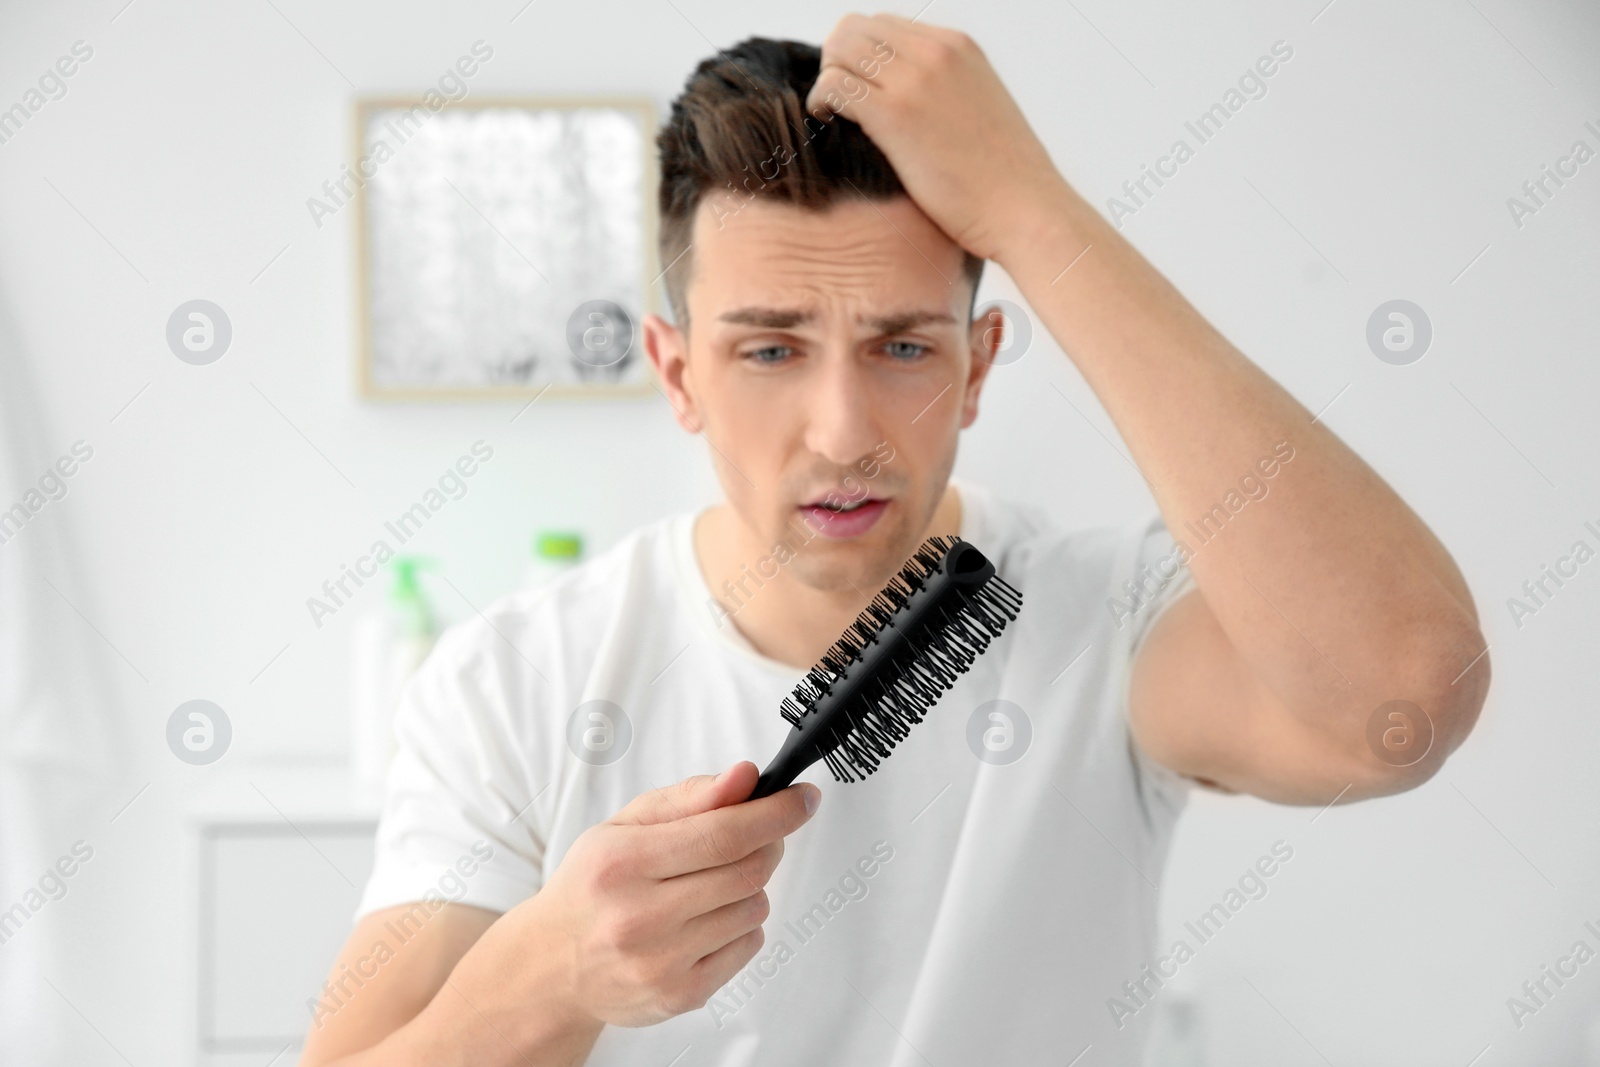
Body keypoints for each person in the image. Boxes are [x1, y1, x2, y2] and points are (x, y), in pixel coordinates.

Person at [300, 16, 1488, 1066]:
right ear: (677, 372)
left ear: (978, 369)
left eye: (905, 346)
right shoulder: (513, 682)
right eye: (769, 349)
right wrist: (552, 970)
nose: (843, 429)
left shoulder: (1111, 626)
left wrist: (1033, 209)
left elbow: (1403, 694)